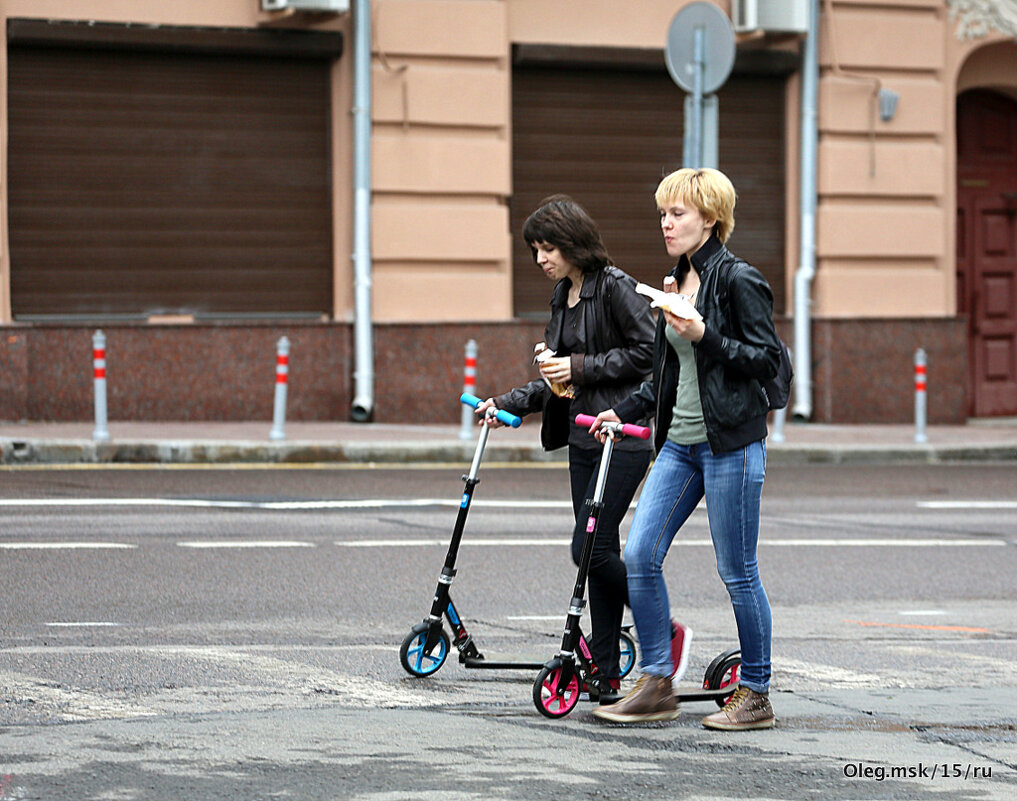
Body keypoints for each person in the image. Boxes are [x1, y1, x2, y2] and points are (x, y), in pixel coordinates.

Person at [591, 168, 780, 730]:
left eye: (678, 213)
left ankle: (757, 692)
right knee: (641, 553)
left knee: (737, 570)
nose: (666, 224)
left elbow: (765, 360)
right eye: (663, 214)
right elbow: (667, 374)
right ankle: (655, 684)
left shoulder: (739, 279)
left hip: (732, 445)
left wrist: (706, 336)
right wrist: (621, 411)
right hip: (679, 445)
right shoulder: (673, 284)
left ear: (710, 218)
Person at [476, 195, 663, 704]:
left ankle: (659, 628)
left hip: (621, 436)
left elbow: (650, 354)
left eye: (548, 247)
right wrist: (509, 401)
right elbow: (556, 376)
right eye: (535, 249)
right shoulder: (563, 296)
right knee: (597, 552)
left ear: (573, 242)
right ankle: (605, 672)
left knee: (591, 549)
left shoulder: (616, 288)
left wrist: (579, 367)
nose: (541, 258)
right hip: (582, 439)